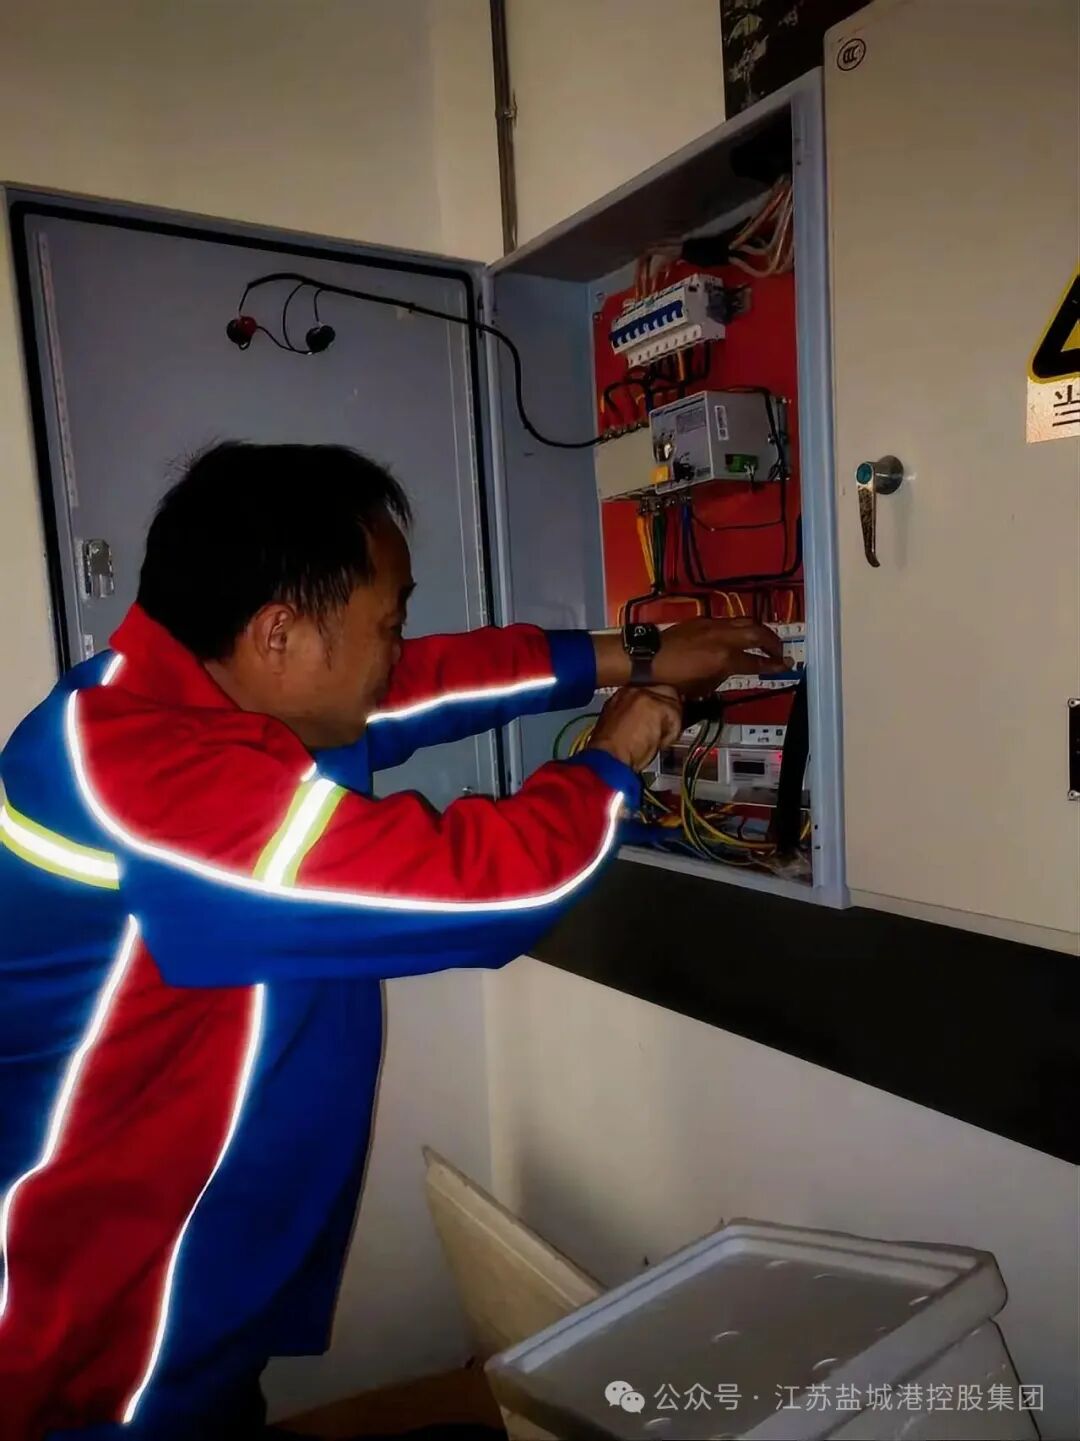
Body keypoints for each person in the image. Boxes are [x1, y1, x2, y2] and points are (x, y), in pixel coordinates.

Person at [0, 443, 786, 1440]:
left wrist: (632, 654)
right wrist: (614, 755)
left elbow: (412, 685)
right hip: (106, 1310)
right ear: (279, 633)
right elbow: (488, 888)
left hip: (187, 1251)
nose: (396, 647)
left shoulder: (170, 692)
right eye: (388, 622)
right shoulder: (148, 784)